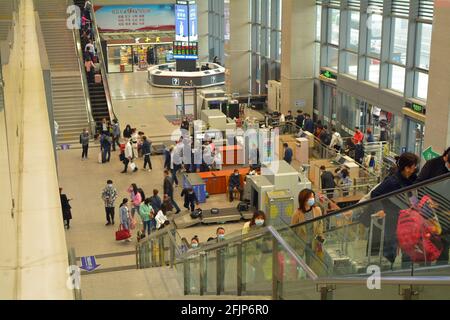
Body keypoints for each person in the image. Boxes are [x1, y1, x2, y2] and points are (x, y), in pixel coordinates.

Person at [370, 152, 419, 267]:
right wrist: (380, 209)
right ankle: (388, 273)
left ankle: (406, 274)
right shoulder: (392, 181)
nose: (415, 168)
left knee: (408, 248)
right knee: (391, 247)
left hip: (407, 220)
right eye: (413, 166)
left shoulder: (413, 178)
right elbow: (375, 194)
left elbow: (413, 195)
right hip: (393, 220)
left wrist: (415, 205)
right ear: (406, 168)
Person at [291, 189, 324, 269]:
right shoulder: (297, 213)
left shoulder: (317, 210)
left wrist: (320, 238)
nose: (312, 199)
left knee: (310, 265)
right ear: (303, 199)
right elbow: (292, 229)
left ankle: (308, 279)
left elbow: (320, 224)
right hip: (300, 243)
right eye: (309, 197)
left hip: (312, 242)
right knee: (297, 265)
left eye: (313, 197)